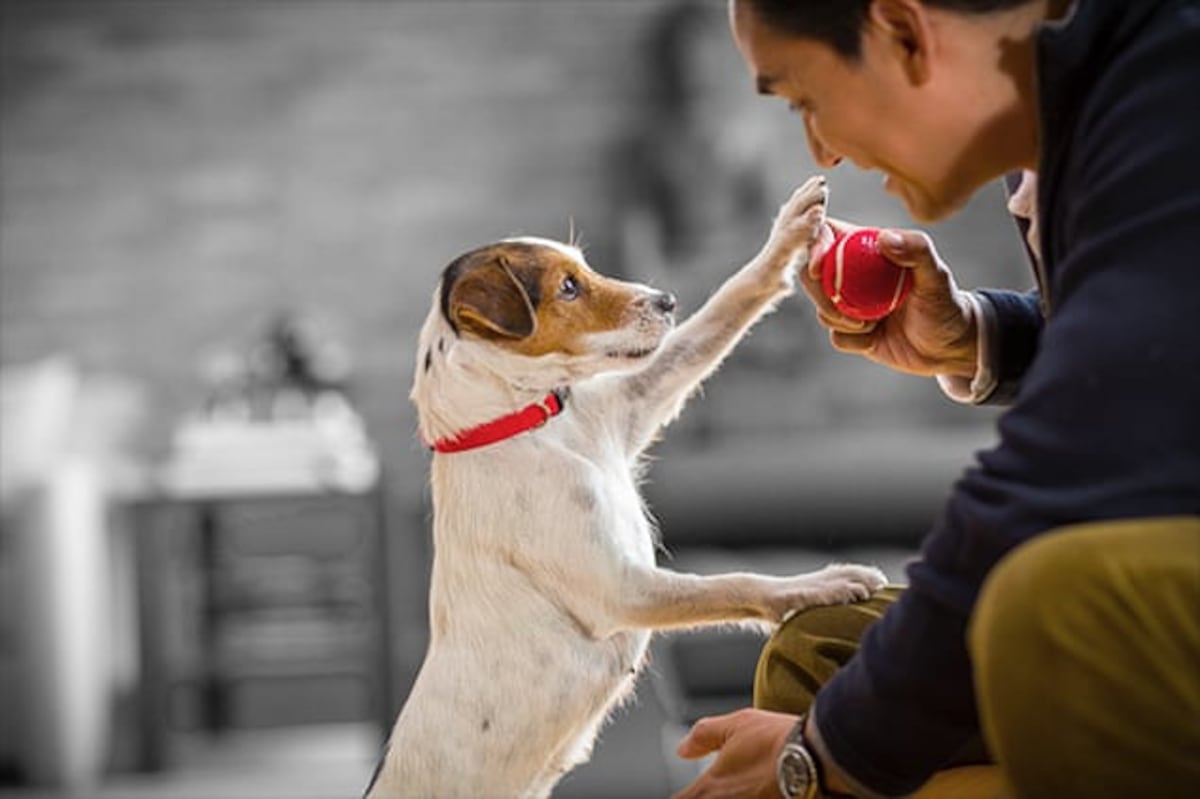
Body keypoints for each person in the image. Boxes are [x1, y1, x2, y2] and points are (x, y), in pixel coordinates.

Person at [673, 1, 1200, 797]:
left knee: (1054, 603)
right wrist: (983, 336)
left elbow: (1057, 482)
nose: (823, 153)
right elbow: (1157, 355)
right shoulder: (1079, 121)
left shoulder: (1167, 90)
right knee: (821, 647)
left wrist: (820, 754)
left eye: (805, 100)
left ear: (904, 33)